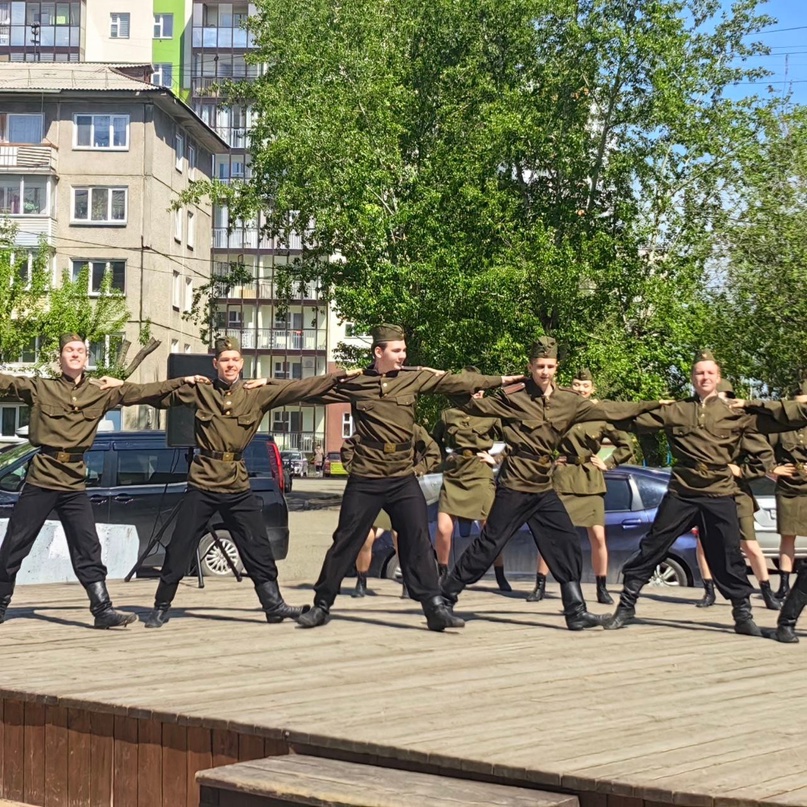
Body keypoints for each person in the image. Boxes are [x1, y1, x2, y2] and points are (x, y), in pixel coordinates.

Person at [295, 323, 522, 631]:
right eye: (397, 350)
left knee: (418, 539)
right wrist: (267, 384)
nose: (403, 355)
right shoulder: (356, 382)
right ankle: (322, 605)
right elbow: (308, 390)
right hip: (367, 476)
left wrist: (502, 379)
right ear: (379, 352)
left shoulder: (412, 377)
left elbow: (455, 381)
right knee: (346, 539)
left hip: (402, 476)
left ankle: (433, 607)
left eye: (404, 349)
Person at [439, 337, 664, 631]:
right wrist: (496, 380)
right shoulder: (513, 397)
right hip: (516, 483)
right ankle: (444, 598)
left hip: (543, 485)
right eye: (539, 366)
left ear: (556, 367)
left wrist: (656, 405)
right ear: (530, 367)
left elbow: (610, 411)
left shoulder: (568, 401)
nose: (544, 371)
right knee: (490, 544)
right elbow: (468, 403)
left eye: (550, 366)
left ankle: (576, 610)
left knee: (565, 540)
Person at [134, 336, 358, 628]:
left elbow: (302, 387)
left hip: (237, 484)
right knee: (180, 545)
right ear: (215, 363)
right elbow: (151, 394)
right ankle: (161, 606)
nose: (230, 365)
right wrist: (164, 382)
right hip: (204, 481)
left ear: (242, 363)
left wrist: (340, 374)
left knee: (257, 546)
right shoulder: (200, 391)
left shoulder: (256, 394)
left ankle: (273, 605)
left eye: (235, 360)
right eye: (224, 360)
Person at [0, 333, 204, 628]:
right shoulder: (41, 388)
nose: (75, 354)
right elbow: (6, 382)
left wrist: (183, 381)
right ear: (60, 357)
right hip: (42, 478)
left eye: (80, 350)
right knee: (15, 544)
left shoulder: (101, 391)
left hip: (74, 483)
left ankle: (102, 610)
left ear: (87, 358)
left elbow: (145, 392)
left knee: (88, 547)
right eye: (69, 350)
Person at [604, 351, 807, 636]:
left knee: (729, 554)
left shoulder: (735, 412)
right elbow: (628, 418)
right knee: (653, 545)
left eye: (710, 373)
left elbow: (792, 416)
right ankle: (626, 606)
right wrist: (649, 404)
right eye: (699, 373)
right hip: (683, 491)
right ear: (692, 378)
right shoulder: (677, 410)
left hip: (719, 492)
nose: (705, 377)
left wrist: (751, 403)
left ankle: (742, 615)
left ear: (718, 377)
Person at [526, 368, 634, 606]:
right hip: (564, 479)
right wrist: (550, 460)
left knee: (598, 536)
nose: (581, 389)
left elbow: (626, 445)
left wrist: (608, 463)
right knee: (552, 535)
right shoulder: (561, 410)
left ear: (592, 389)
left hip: (590, 480)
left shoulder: (600, 415)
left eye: (585, 386)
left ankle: (601, 588)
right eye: (576, 385)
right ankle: (540, 584)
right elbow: (540, 439)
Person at [693, 379, 780, 611]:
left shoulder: (740, 426)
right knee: (703, 543)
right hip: (709, 492)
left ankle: (766, 591)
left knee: (750, 545)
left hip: (736, 493)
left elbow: (764, 458)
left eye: (724, 400)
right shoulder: (701, 426)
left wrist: (742, 471)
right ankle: (709, 591)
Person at [344, 424, 441, 598]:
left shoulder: (411, 428)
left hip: (400, 488)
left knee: (400, 537)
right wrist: (356, 471)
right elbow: (348, 447)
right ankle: (361, 580)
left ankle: (407, 583)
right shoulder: (372, 426)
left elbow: (433, 451)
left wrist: (418, 470)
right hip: (373, 487)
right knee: (365, 538)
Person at [431, 370, 504, 588]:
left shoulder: (492, 414)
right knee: (443, 528)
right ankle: (442, 573)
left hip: (480, 473)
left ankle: (500, 573)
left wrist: (496, 459)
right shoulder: (449, 415)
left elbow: (516, 439)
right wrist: (444, 458)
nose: (478, 393)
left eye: (481, 389)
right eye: (473, 389)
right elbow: (432, 441)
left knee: (489, 528)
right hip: (455, 474)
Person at [767, 380, 807, 603]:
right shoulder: (781, 426)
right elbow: (763, 448)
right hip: (788, 488)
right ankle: (783, 585)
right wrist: (772, 468)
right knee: (787, 537)